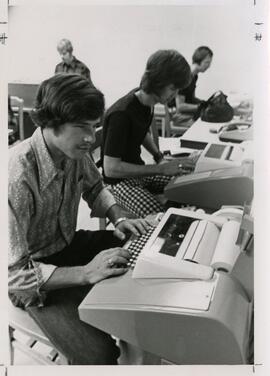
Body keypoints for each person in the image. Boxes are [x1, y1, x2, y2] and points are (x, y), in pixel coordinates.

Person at [8, 73, 151, 365]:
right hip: (35, 276)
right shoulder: (17, 175)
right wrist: (85, 273)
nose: (91, 137)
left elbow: (95, 187)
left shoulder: (75, 150)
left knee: (145, 247)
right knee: (99, 356)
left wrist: (117, 215)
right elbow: (12, 276)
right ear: (51, 122)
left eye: (94, 126)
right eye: (82, 127)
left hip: (68, 246)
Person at [102, 49, 197, 218]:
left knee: (190, 184)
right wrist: (160, 169)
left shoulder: (146, 101)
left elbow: (142, 132)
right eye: (172, 88)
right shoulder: (121, 114)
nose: (174, 95)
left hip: (138, 173)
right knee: (162, 219)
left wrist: (159, 156)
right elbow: (110, 169)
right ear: (158, 81)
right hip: (118, 182)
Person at [169, 46, 213, 129]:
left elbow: (191, 99)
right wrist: (201, 107)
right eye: (207, 62)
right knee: (207, 121)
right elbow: (180, 106)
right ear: (199, 60)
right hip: (177, 116)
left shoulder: (194, 76)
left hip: (184, 114)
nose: (209, 66)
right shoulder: (185, 76)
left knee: (211, 116)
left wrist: (206, 103)